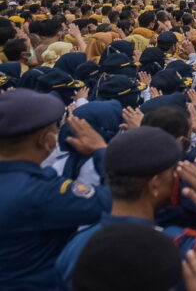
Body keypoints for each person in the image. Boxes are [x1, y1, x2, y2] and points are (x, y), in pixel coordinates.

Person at [55, 125, 196, 289]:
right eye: (173, 173)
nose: (177, 178)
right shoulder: (174, 246)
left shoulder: (76, 246)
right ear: (155, 184)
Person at [0, 89, 111, 289]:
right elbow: (114, 200)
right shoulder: (39, 192)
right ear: (45, 139)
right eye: (55, 129)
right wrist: (101, 151)